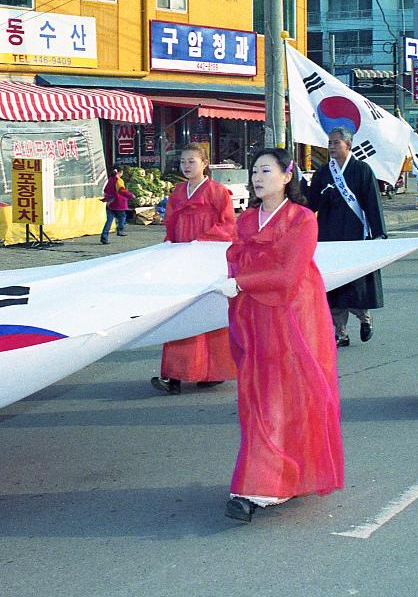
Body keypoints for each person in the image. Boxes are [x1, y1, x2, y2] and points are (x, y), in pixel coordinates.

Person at [214, 147, 344, 522]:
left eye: (266, 170)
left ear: (288, 176)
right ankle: (273, 474)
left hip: (293, 316)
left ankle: (261, 483)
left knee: (286, 393)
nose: (258, 177)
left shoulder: (302, 219)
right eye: (254, 171)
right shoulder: (246, 219)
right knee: (258, 391)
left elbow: (288, 274)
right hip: (254, 313)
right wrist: (239, 281)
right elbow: (236, 258)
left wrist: (242, 280)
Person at [152, 143, 239, 395]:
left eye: (192, 161)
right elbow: (171, 222)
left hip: (204, 258)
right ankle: (174, 375)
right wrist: (169, 245)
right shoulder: (179, 191)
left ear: (204, 163)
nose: (186, 166)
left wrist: (201, 241)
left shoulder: (217, 191)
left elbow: (228, 226)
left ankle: (211, 372)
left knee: (206, 313)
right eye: (182, 161)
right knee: (181, 313)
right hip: (182, 259)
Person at [306, 127, 386, 347]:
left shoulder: (361, 170)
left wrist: (378, 233)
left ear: (348, 145)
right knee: (333, 284)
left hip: (355, 234)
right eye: (329, 143)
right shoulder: (322, 172)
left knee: (355, 282)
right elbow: (310, 204)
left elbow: (372, 203)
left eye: (336, 143)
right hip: (329, 234)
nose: (331, 147)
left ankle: (364, 318)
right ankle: (340, 331)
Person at [100, 165, 134, 244]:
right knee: (122, 216)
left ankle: (104, 237)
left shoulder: (110, 179)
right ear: (120, 172)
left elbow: (106, 190)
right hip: (118, 203)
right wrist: (130, 195)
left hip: (110, 203)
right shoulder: (119, 180)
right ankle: (120, 230)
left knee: (109, 221)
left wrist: (106, 199)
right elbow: (121, 191)